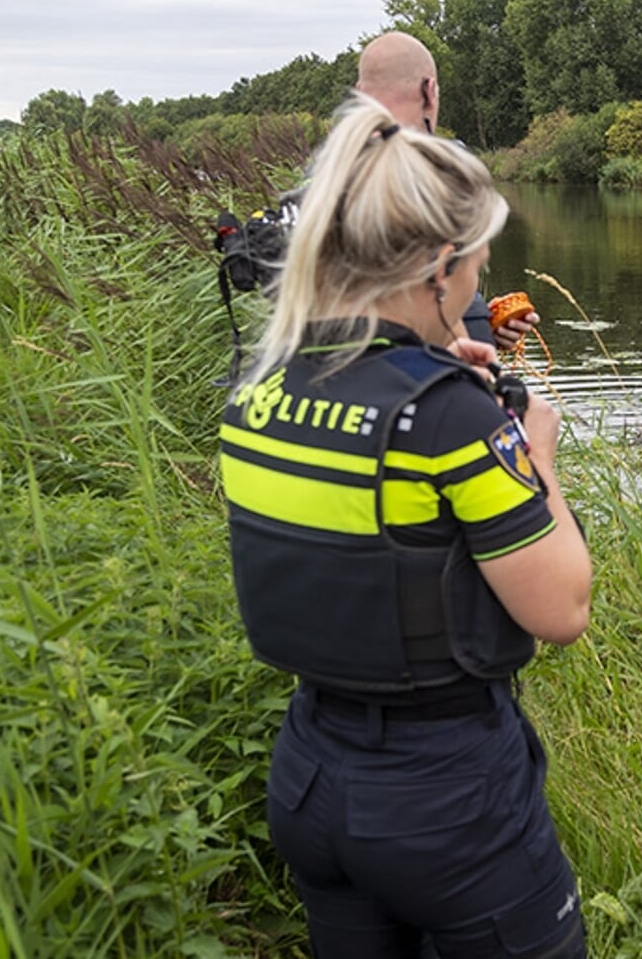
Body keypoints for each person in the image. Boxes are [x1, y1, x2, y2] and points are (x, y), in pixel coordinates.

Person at [220, 93, 592, 958]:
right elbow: (560, 610)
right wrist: (533, 449)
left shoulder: (258, 387)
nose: (473, 288)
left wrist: (430, 371)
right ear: (433, 266)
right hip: (447, 797)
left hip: (310, 774)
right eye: (472, 269)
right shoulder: (451, 419)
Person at [354, 31, 539, 353]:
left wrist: (483, 323)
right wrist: (472, 331)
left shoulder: (327, 177)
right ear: (429, 91)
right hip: (433, 380)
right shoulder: (446, 168)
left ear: (359, 94)